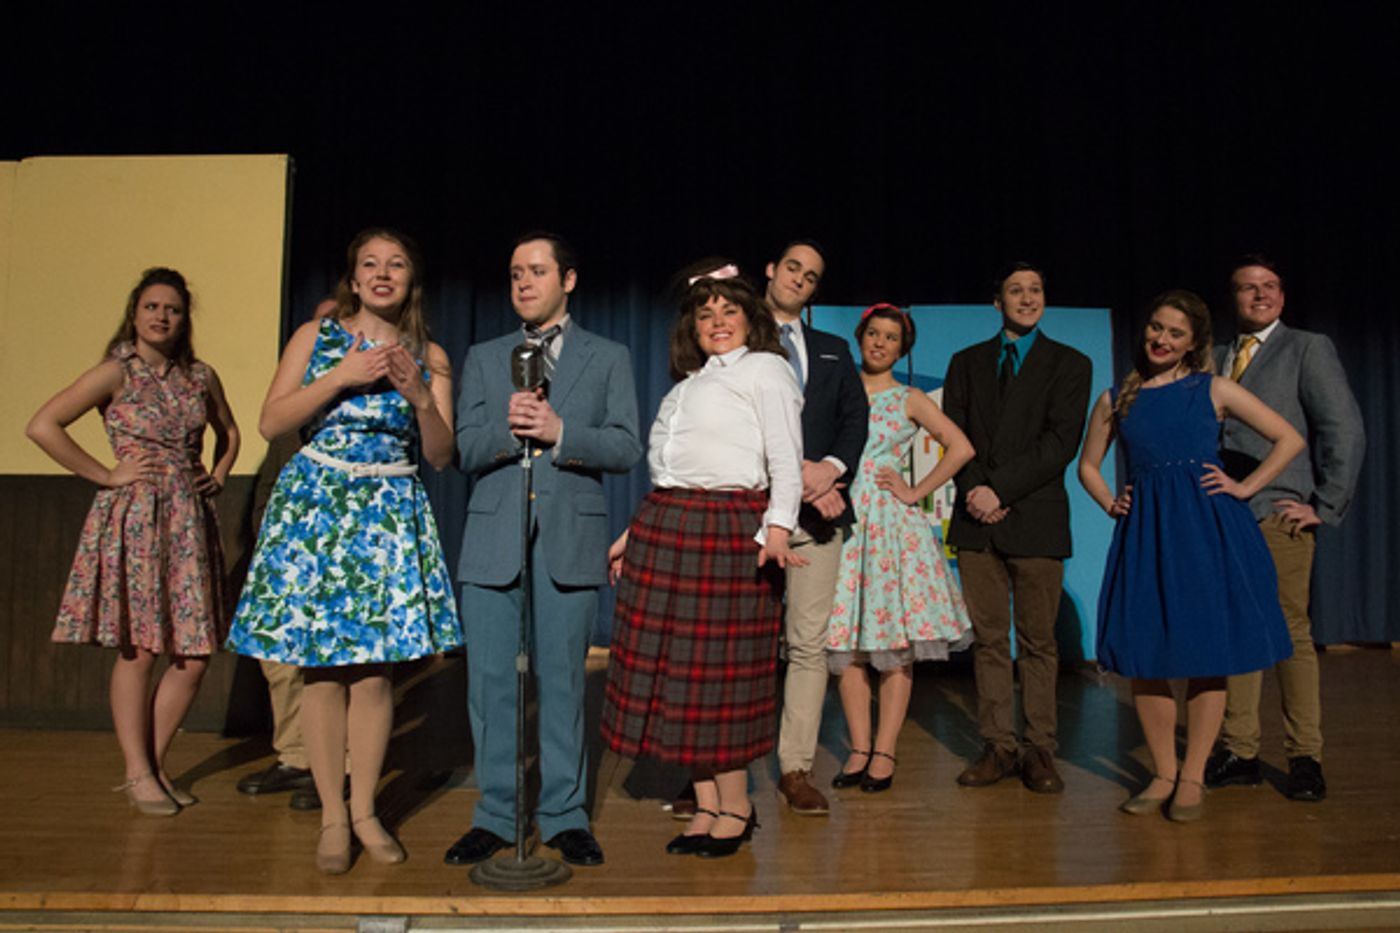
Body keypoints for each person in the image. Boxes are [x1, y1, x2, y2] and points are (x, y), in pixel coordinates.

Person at [226, 228, 461, 873]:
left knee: (374, 674)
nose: (383, 274)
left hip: (386, 514)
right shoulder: (315, 338)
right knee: (323, 672)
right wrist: (341, 375)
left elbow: (440, 455)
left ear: (411, 281)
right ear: (353, 279)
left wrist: (418, 396)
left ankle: (366, 811)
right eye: (370, 265)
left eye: (397, 265)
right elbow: (272, 422)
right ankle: (333, 817)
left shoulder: (430, 356)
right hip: (319, 510)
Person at [446, 232, 641, 869]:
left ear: (569, 279)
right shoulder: (484, 355)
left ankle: (563, 814)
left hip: (570, 538)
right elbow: (463, 449)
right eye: (514, 274)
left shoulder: (607, 357)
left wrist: (562, 433)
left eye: (536, 271)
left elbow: (625, 447)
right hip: (493, 538)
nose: (524, 283)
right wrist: (511, 428)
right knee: (492, 685)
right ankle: (496, 814)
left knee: (562, 683)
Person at [601, 269, 805, 858]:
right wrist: (631, 533)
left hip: (728, 529)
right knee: (679, 676)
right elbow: (675, 473)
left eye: (728, 312)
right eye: (705, 314)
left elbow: (785, 461)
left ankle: (736, 806)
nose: (716, 323)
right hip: (668, 524)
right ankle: (708, 804)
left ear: (750, 318)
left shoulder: (766, 370)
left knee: (718, 679)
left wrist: (778, 529)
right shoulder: (688, 383)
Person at [1078, 289, 1303, 820]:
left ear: (1193, 343)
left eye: (1175, 333)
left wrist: (1246, 489)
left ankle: (1194, 776)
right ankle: (1162, 772)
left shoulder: (1214, 388)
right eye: (1157, 327)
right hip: (1148, 534)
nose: (1161, 339)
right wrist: (1113, 501)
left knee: (1207, 657)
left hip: (1207, 531)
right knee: (1146, 656)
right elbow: (1087, 465)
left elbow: (1288, 439)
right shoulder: (1118, 397)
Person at [28, 266, 240, 816]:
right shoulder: (115, 372)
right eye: (152, 306)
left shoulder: (200, 375)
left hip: (189, 518)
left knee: (193, 654)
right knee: (142, 647)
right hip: (136, 516)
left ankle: (155, 763)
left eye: (171, 308)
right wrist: (105, 474)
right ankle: (137, 771)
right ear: (135, 312)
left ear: (183, 317)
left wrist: (218, 470)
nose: (162, 316)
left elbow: (230, 430)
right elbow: (43, 424)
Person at [1204, 255, 1365, 802]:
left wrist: (1325, 502)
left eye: (1269, 286)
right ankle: (1241, 751)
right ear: (1232, 297)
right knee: (1238, 636)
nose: (1260, 295)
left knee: (1290, 634)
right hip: (1224, 516)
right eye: (1247, 287)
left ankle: (1304, 758)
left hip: (1278, 512)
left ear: (1283, 295)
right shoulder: (1217, 356)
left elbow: (1342, 427)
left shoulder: (1306, 348)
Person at [944, 262, 1091, 794]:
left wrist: (998, 490)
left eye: (1035, 290)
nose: (1027, 298)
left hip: (1035, 517)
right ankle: (997, 746)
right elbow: (952, 434)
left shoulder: (1071, 364)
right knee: (987, 640)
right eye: (1015, 290)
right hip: (976, 520)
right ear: (996, 301)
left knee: (1038, 642)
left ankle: (1039, 751)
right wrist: (976, 492)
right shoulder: (965, 363)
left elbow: (1060, 444)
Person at [826, 304, 975, 793]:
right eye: (873, 333)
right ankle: (858, 748)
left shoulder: (910, 398)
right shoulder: (839, 389)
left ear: (901, 347)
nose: (880, 343)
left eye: (890, 337)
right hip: (843, 522)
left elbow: (961, 447)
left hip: (891, 527)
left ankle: (885, 751)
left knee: (893, 644)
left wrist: (915, 490)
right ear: (861, 336)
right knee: (844, 643)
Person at [763, 240, 869, 817]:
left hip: (819, 515)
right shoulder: (734, 336)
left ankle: (796, 767)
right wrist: (789, 473)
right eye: (793, 268)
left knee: (808, 647)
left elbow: (856, 418)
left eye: (812, 275)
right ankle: (710, 767)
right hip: (753, 516)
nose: (800, 279)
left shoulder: (831, 349)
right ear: (771, 270)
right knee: (737, 646)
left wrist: (826, 471)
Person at [236, 297, 338, 811]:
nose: (323, 333)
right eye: (316, 325)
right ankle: (295, 756)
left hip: (340, 541)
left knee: (335, 659)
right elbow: (270, 470)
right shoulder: (291, 396)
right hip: (285, 540)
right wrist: (262, 532)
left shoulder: (357, 397)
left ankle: (335, 769)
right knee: (278, 656)